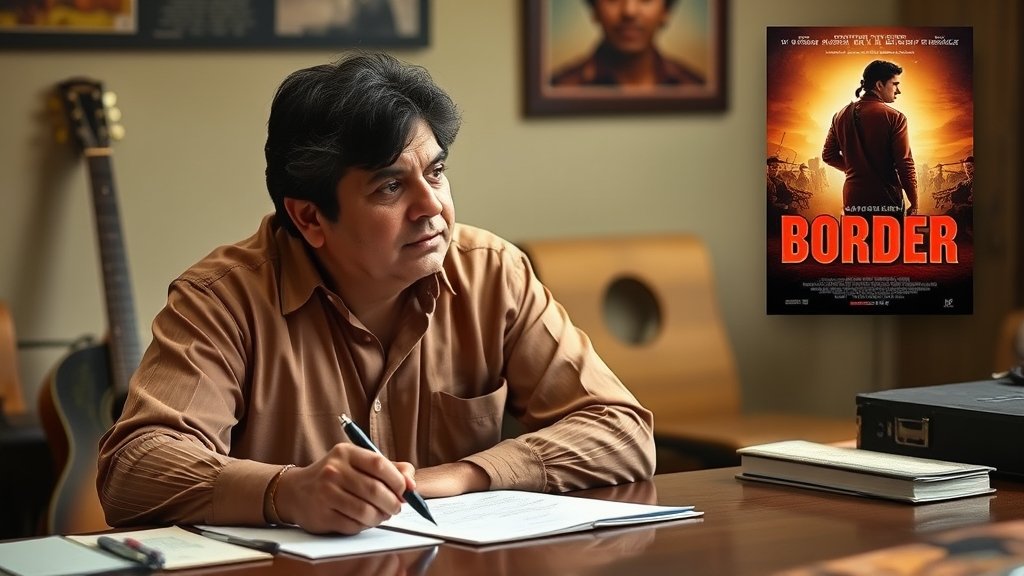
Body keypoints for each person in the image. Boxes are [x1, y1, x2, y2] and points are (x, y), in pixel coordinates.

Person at [96, 52, 655, 535]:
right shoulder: (222, 299)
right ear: (310, 217)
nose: (432, 207)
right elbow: (134, 470)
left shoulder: (492, 273)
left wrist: (459, 476)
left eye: (435, 173)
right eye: (391, 186)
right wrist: (289, 492)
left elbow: (622, 432)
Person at [822, 60, 919, 220]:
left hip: (853, 198)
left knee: (857, 245)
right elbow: (904, 164)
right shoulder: (895, 117)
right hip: (886, 198)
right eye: (895, 84)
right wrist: (914, 202)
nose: (898, 90)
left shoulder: (840, 115)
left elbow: (829, 155)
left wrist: (857, 169)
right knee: (888, 244)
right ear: (879, 85)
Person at [551, 0, 704, 87]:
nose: (629, 11)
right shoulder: (561, 88)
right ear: (594, 10)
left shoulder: (694, 87)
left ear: (666, 11)